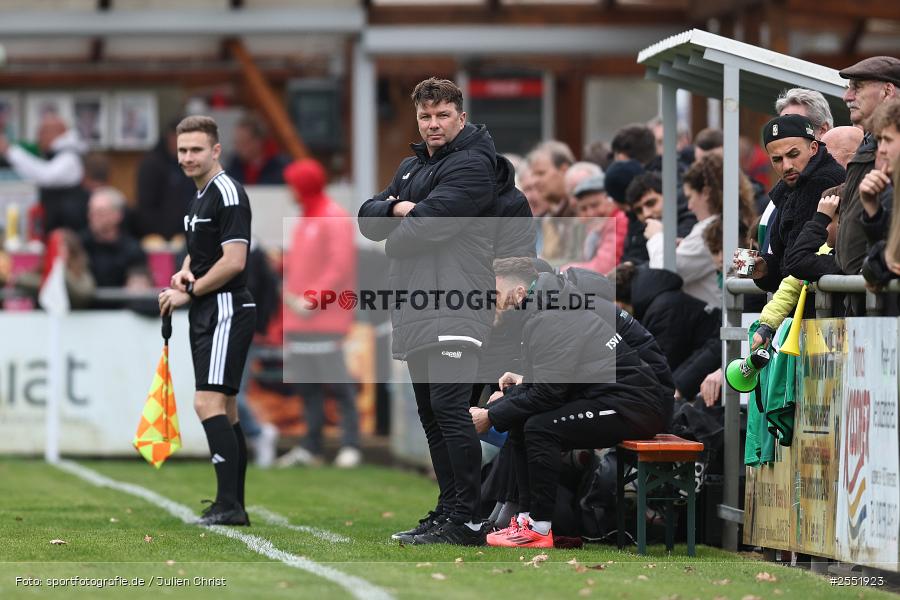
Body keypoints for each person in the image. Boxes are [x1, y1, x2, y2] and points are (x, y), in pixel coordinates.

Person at [358, 78, 497, 546]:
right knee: (432, 414)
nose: (432, 124)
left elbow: (426, 228)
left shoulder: (477, 164)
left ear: (461, 116)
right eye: (425, 116)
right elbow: (366, 220)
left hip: (458, 302)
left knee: (450, 410)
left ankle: (469, 519)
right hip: (418, 305)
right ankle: (449, 510)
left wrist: (396, 220)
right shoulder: (410, 166)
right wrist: (400, 207)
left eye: (441, 115)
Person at [471, 258, 666, 548]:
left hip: (633, 405)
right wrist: (523, 381)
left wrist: (490, 415)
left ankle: (539, 526)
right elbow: (555, 378)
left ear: (520, 292)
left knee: (540, 427)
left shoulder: (552, 315)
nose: (493, 301)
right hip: (611, 396)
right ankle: (525, 520)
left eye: (496, 294)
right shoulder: (548, 309)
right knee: (525, 420)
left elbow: (549, 393)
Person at [157, 115, 256, 526]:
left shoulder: (227, 192)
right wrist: (185, 271)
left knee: (207, 402)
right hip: (210, 309)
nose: (187, 157)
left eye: (196, 149)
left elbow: (234, 261)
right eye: (182, 150)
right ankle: (229, 504)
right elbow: (202, 253)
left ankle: (230, 506)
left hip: (226, 308)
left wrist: (190, 291)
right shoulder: (200, 195)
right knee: (226, 409)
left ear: (216, 150)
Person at [279, 158, 360, 469]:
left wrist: (312, 301)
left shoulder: (333, 217)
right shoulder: (306, 218)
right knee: (307, 387)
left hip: (325, 319)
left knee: (338, 384)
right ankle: (312, 447)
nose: (289, 189)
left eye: (292, 183)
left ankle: (350, 445)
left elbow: (339, 268)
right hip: (299, 319)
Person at [736, 114, 844, 307]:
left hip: (820, 309)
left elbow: (798, 260)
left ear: (813, 148)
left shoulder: (822, 181)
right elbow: (789, 259)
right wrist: (765, 268)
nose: (786, 166)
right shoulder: (792, 185)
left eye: (793, 155)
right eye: (777, 159)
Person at [648, 154, 756, 307]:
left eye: (690, 197)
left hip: (720, 320)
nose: (689, 206)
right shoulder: (738, 221)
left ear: (705, 192)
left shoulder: (710, 229)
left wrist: (656, 236)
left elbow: (664, 272)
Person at [834, 56, 900, 277]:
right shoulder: (867, 145)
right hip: (861, 299)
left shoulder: (881, 152)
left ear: (887, 91)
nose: (847, 96)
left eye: (857, 87)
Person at [0, 112, 88, 234]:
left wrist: (9, 151)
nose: (38, 138)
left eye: (42, 132)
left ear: (57, 132)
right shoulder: (55, 154)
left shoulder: (70, 157)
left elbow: (45, 175)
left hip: (68, 230)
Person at [135, 117, 196, 242]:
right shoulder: (151, 165)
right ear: (170, 137)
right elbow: (146, 207)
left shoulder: (191, 163)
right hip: (160, 237)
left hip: (190, 234)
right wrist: (163, 234)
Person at [80, 186, 149, 290]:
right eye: (91, 211)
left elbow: (139, 289)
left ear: (117, 215)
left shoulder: (132, 249)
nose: (93, 216)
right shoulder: (80, 245)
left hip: (122, 306)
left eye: (100, 212)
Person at [857, 99, 900, 245]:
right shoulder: (889, 189)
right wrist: (872, 208)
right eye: (879, 140)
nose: (881, 149)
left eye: (888, 140)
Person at [225, 114, 290, 185]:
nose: (238, 147)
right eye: (236, 142)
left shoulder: (280, 167)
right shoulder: (234, 166)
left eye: (243, 142)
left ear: (258, 142)